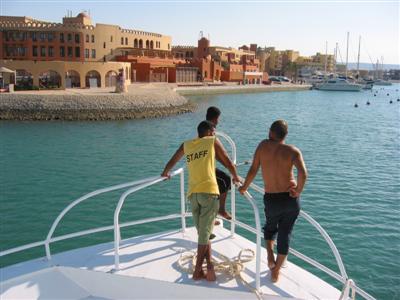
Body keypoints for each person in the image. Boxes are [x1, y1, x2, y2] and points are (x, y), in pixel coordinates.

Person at [161, 120, 240, 281]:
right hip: (209, 194)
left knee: (204, 233)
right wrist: (236, 177)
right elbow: (227, 162)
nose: (215, 134)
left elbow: (173, 159)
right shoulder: (212, 141)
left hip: (193, 195)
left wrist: (166, 172)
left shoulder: (187, 145)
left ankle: (209, 265)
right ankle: (198, 271)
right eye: (214, 131)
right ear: (210, 132)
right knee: (204, 235)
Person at [239, 120, 307, 283]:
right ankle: (276, 271)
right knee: (285, 233)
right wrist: (298, 190)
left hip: (272, 198)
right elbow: (303, 174)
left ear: (270, 132)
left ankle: (270, 255)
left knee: (270, 228)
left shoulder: (263, 146)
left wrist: (244, 187)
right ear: (285, 135)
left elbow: (253, 169)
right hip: (290, 200)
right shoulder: (293, 151)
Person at [206, 106, 232, 220]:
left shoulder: (203, 127)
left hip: (203, 166)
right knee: (226, 180)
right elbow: (224, 154)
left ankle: (211, 217)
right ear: (216, 118)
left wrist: (226, 165)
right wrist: (232, 171)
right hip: (206, 168)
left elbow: (215, 154)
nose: (218, 121)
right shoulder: (210, 132)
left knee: (217, 186)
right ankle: (221, 210)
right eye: (218, 118)